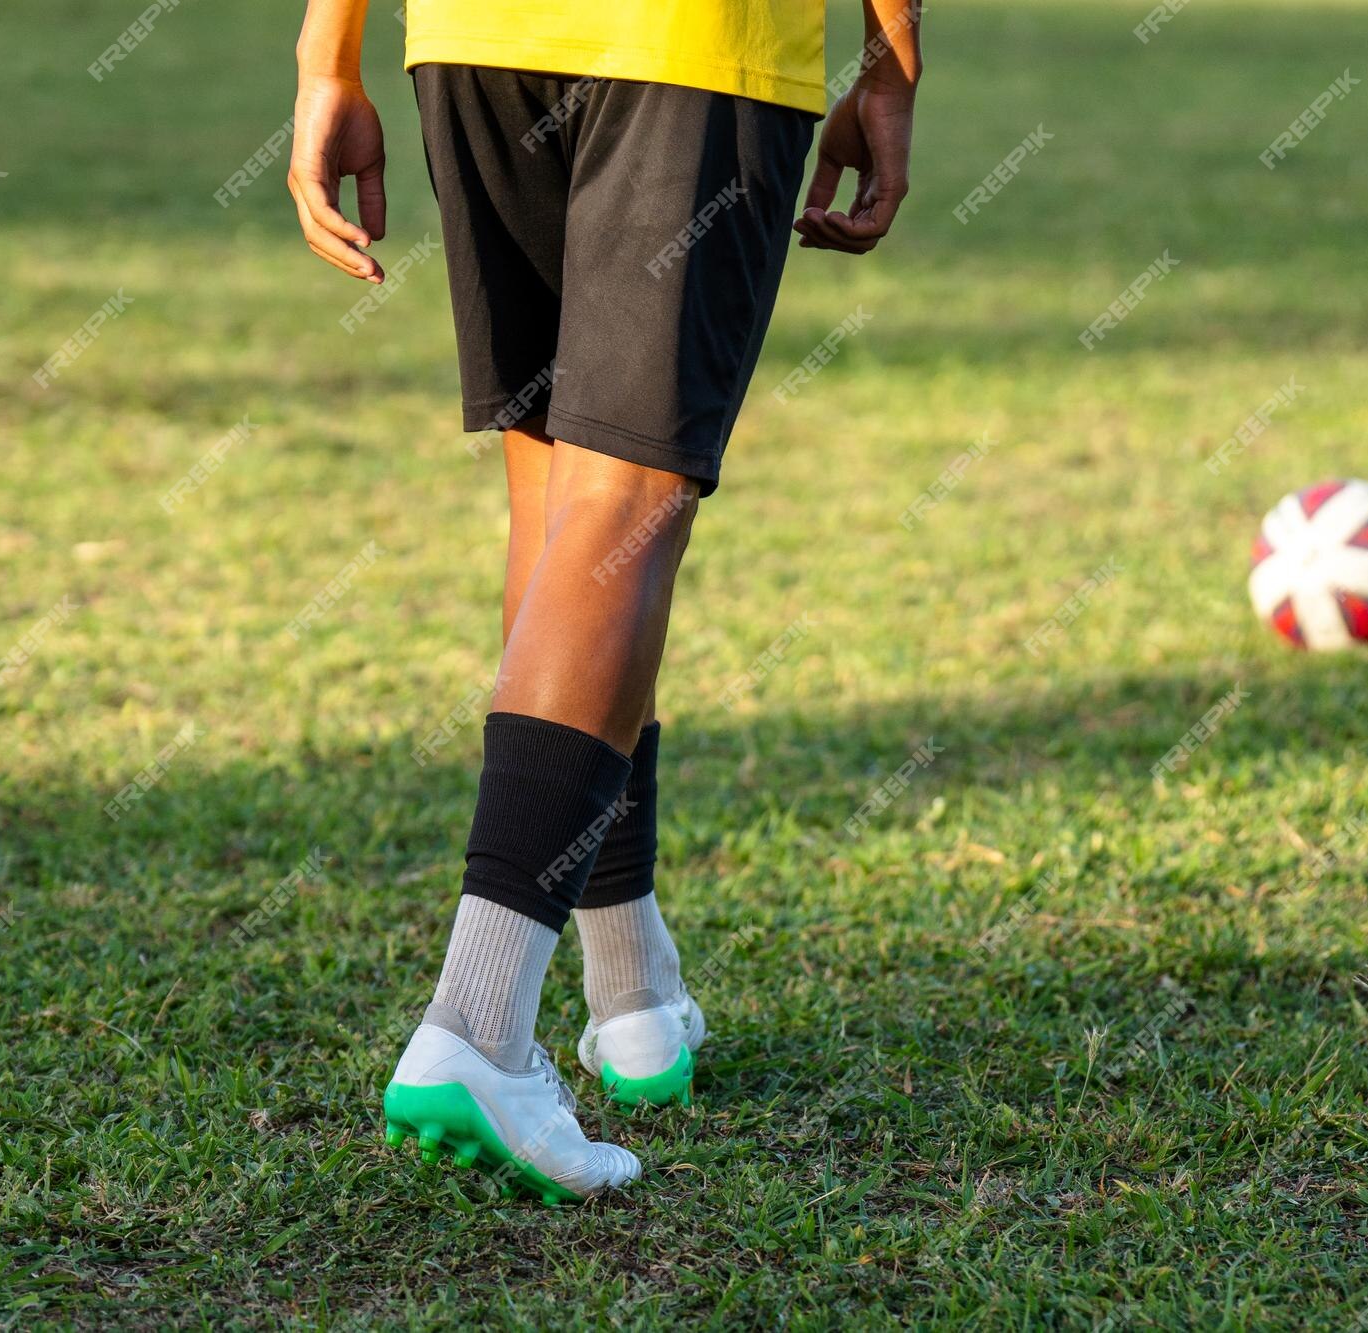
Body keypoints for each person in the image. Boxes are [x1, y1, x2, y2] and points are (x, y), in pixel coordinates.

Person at [287, 0, 922, 1202]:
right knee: (620, 510)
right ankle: (475, 1026)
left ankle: (629, 987)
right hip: (689, 43)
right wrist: (890, 67)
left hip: (475, 42)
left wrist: (327, 55)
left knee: (563, 497)